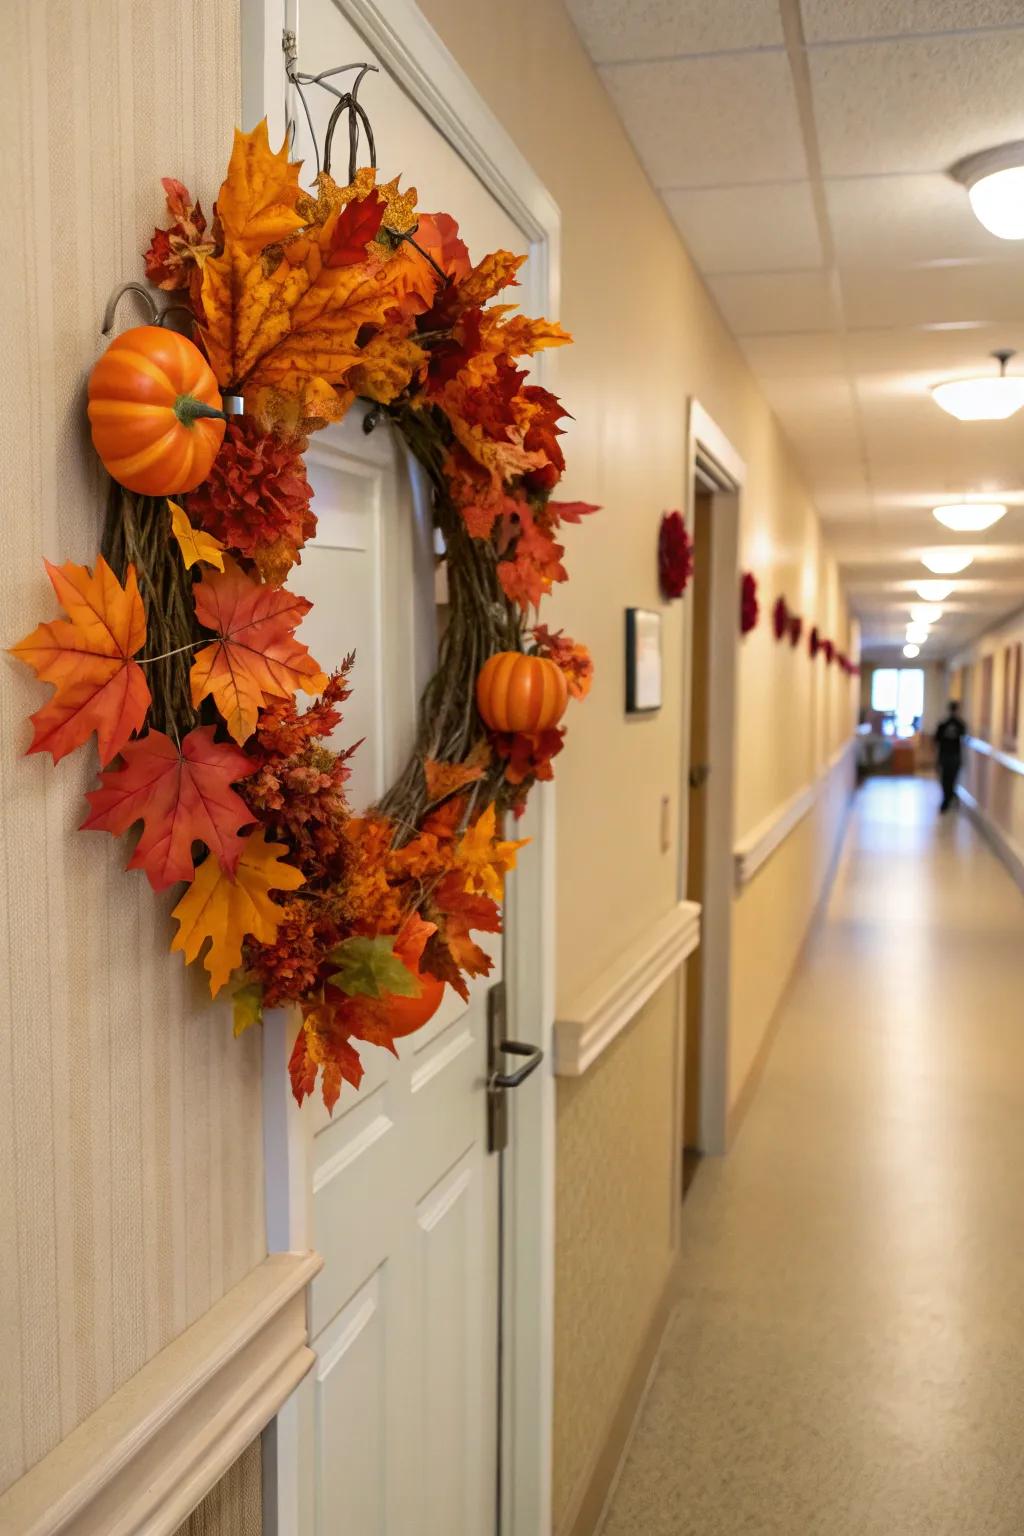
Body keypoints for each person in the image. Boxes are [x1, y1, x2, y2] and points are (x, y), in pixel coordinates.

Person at [934, 699, 967, 812]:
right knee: (951, 779)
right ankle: (948, 798)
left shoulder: (944, 724)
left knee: (946, 779)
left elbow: (936, 740)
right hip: (953, 756)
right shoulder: (959, 724)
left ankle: (947, 798)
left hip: (947, 755)